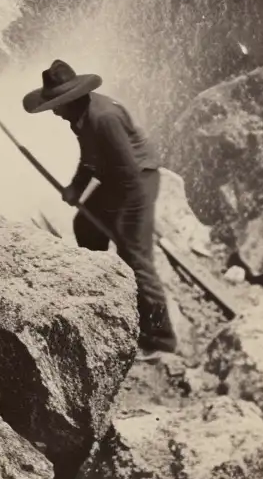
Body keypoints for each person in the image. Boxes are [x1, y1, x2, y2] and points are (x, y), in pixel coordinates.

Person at [24, 57, 178, 356]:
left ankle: (161, 340)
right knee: (85, 225)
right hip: (116, 177)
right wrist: (76, 188)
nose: (54, 111)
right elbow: (91, 157)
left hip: (137, 180)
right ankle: (105, 295)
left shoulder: (102, 117)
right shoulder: (80, 115)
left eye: (56, 104)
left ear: (71, 98)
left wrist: (126, 225)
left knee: (135, 255)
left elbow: (129, 173)